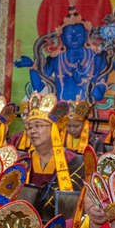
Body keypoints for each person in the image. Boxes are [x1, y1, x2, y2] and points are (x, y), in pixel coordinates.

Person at [18, 91, 84, 219]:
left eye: (38, 125)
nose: (32, 131)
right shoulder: (24, 161)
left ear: (54, 128)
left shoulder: (74, 162)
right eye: (29, 127)